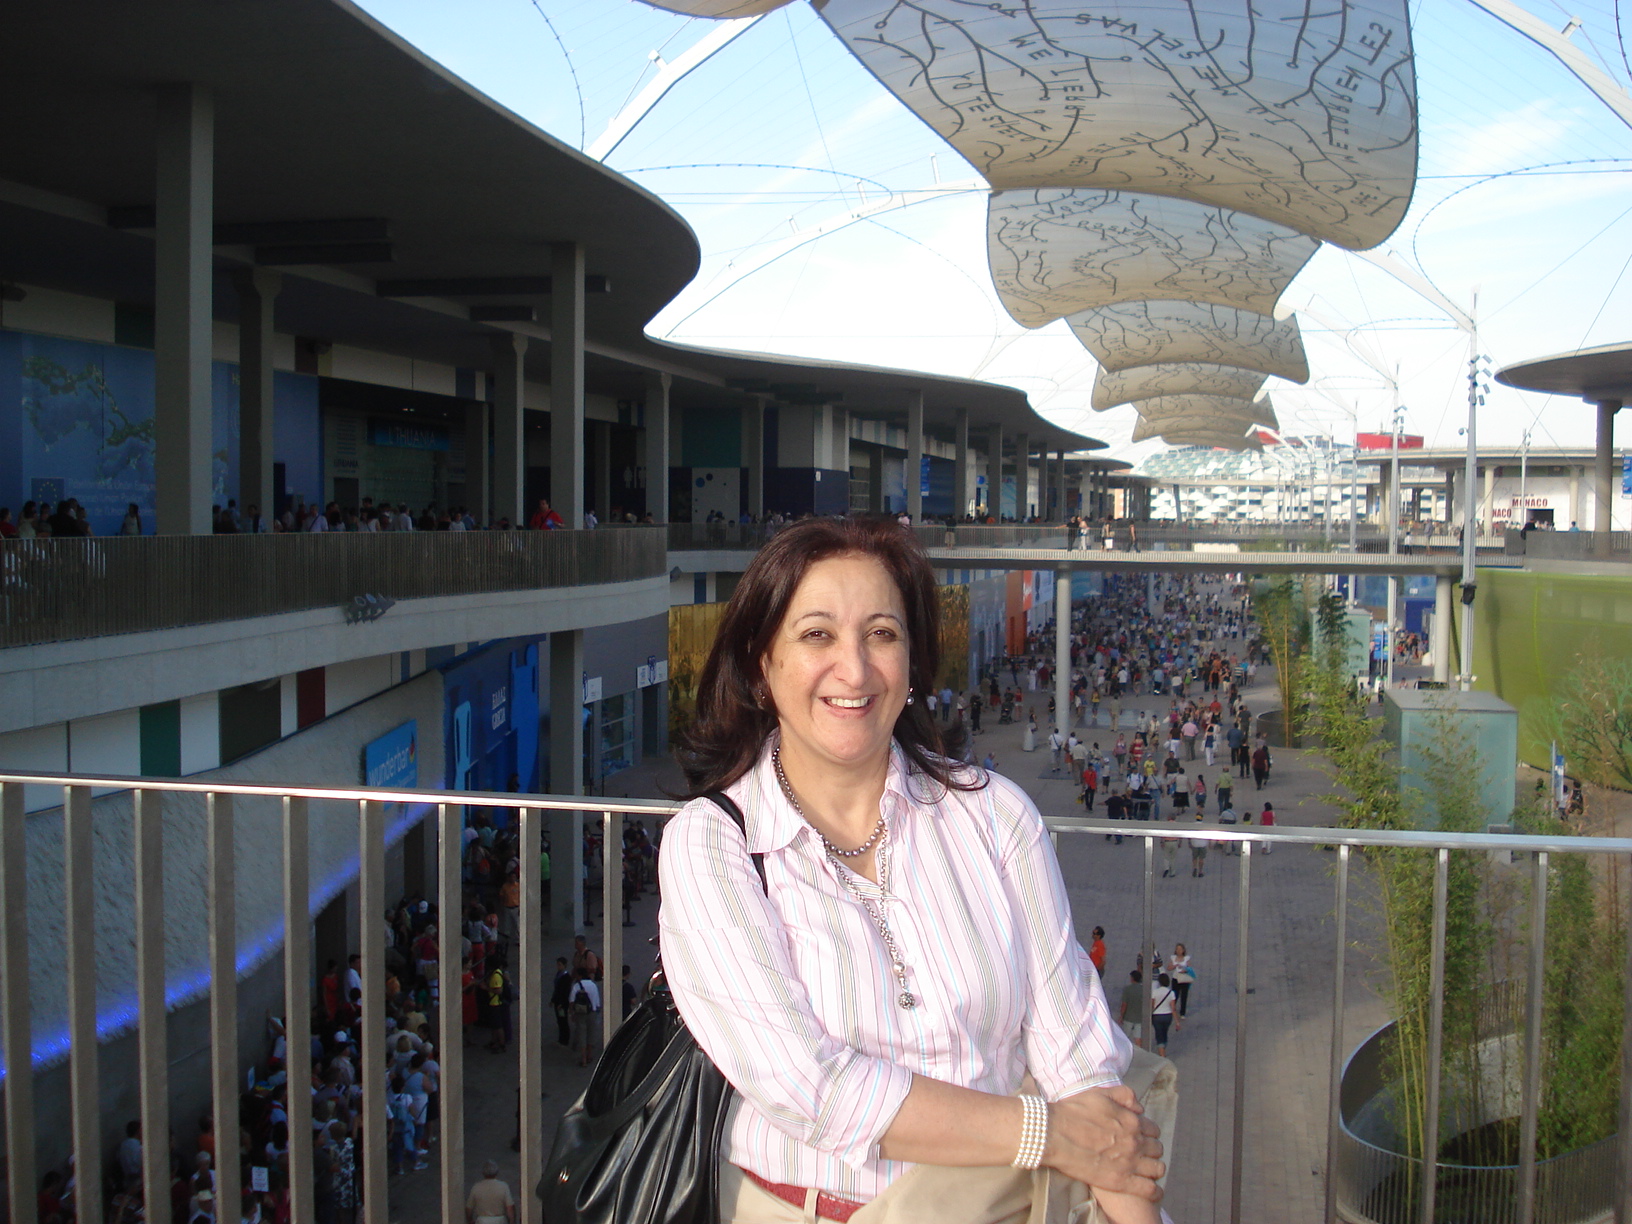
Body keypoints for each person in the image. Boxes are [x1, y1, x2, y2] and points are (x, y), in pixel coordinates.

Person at [658, 517, 1164, 1223]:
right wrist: (1047, 1133)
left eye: (882, 635)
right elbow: (811, 1086)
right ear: (760, 663)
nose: (856, 669)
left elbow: (1075, 1054)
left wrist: (1121, 1188)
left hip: (1005, 1207)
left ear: (913, 661)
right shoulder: (713, 845)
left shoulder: (992, 815)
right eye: (817, 635)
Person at [1149, 975, 1176, 1057]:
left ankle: (1162, 1054)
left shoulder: (1155, 992)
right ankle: (1163, 1047)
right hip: (1168, 1015)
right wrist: (1177, 1022)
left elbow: (1152, 1005)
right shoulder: (1171, 993)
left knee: (1159, 1033)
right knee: (1164, 1032)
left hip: (1157, 1016)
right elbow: (1173, 1008)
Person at [1117, 970, 1144, 1048]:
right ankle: (1140, 1053)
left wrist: (1121, 1016)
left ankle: (1126, 1051)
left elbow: (1124, 1004)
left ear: (1132, 978)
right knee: (1138, 1037)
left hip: (1128, 1017)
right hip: (1139, 1017)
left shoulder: (1127, 989)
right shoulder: (1143, 989)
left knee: (1126, 1036)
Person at [1168, 944, 1193, 1026]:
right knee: (1174, 995)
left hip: (1184, 979)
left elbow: (1190, 969)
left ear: (1183, 950)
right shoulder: (1173, 958)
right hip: (1176, 978)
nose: (1178, 951)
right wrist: (1174, 966)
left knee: (1184, 996)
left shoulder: (1186, 959)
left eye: (1180, 949)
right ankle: (1172, 1009)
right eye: (1177, 949)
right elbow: (1168, 968)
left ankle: (1182, 1013)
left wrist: (1185, 970)